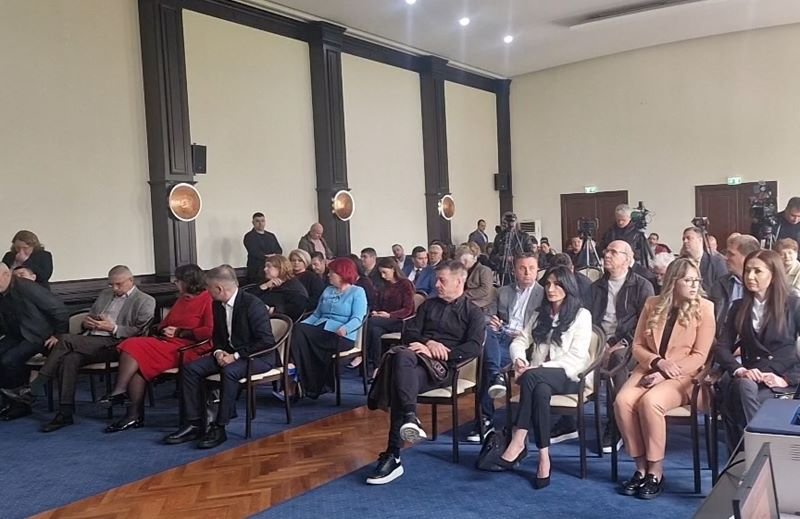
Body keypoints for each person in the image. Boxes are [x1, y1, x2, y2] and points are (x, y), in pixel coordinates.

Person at [365, 261, 484, 485]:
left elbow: (474, 347)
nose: (436, 284)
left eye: (442, 280)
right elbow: (409, 333)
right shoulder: (429, 306)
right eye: (436, 280)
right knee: (402, 361)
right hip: (417, 365)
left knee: (399, 367)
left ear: (459, 281)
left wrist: (444, 353)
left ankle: (394, 454)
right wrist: (428, 342)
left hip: (445, 369)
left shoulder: (473, 312)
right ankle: (409, 420)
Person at [614, 258, 715, 499]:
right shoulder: (652, 304)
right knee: (623, 401)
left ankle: (656, 471)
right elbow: (637, 345)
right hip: (650, 368)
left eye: (696, 280)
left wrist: (666, 372)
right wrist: (657, 363)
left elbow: (700, 356)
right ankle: (640, 468)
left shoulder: (705, 308)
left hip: (685, 374)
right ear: (673, 281)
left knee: (651, 402)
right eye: (688, 280)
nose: (694, 285)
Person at [491, 267, 593, 489]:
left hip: (570, 375)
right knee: (539, 390)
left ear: (568, 287)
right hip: (539, 378)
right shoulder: (540, 314)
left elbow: (576, 357)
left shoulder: (581, 315)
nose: (550, 289)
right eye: (547, 284)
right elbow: (520, 341)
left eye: (557, 284)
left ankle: (519, 439)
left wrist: (537, 369)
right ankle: (544, 458)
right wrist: (519, 359)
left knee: (531, 378)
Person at [163, 265, 275, 449]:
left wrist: (235, 356)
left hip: (257, 357)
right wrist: (218, 352)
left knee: (229, 371)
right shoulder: (217, 304)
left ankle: (219, 426)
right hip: (228, 353)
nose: (206, 291)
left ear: (219, 289)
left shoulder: (252, 304)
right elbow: (218, 337)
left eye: (208, 288)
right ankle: (194, 422)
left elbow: (266, 341)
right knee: (191, 369)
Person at [34, 266, 155, 432]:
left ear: (130, 281)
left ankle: (36, 385)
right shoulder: (105, 294)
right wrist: (89, 322)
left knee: (65, 340)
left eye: (118, 284)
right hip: (92, 339)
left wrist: (112, 328)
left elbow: (139, 330)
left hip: (118, 343)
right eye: (111, 284)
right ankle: (65, 412)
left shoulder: (145, 300)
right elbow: (89, 316)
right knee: (70, 358)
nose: (114, 288)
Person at [101, 264, 214, 433]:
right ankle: (132, 415)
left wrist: (180, 332)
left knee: (132, 345)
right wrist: (164, 330)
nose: (175, 284)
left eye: (178, 281)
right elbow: (164, 324)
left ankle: (120, 392)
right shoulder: (182, 299)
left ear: (189, 281)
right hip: (168, 343)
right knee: (137, 362)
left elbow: (210, 331)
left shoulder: (208, 299)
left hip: (190, 348)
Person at [716, 250, 800, 454]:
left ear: (773, 275)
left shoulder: (794, 304)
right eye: (747, 271)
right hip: (750, 376)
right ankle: (762, 448)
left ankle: (750, 452)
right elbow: (721, 348)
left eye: (757, 271)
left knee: (746, 399)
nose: (750, 276)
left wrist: (787, 379)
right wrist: (740, 369)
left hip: (781, 378)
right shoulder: (738, 306)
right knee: (743, 386)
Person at [466, 252, 543, 443]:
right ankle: (496, 377)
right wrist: (491, 320)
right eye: (522, 268)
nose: (527, 273)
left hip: (524, 341)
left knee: (486, 363)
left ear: (537, 270)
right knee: (485, 332)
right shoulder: (503, 291)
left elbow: (544, 325)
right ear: (514, 270)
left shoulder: (544, 294)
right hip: (499, 336)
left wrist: (525, 334)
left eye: (531, 268)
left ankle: (485, 418)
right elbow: (485, 315)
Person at [588, 240, 654, 452]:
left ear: (628, 259)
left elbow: (645, 324)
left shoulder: (642, 285)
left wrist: (619, 342)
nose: (607, 255)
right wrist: (601, 344)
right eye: (606, 251)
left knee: (618, 359)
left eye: (614, 252)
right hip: (598, 340)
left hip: (631, 343)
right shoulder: (595, 287)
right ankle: (569, 419)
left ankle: (617, 422)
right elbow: (586, 319)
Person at [290, 258, 367, 399]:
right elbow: (316, 315)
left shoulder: (357, 292)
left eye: (332, 272)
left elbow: (358, 317)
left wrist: (345, 328)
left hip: (341, 335)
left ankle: (296, 377)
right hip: (319, 332)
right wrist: (300, 326)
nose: (328, 275)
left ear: (342, 274)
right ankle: (304, 381)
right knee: (297, 329)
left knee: (299, 336)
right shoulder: (328, 290)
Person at [0, 263, 68, 420]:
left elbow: (59, 309)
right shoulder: (3, 291)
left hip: (38, 335)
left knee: (9, 360)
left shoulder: (27, 287)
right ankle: (8, 402)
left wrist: (59, 335)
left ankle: (21, 404)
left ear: (5, 275)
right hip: (18, 335)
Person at [358, 257, 415, 374]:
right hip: (382, 321)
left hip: (401, 321)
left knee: (371, 322)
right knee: (375, 331)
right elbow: (377, 304)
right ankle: (377, 367)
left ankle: (361, 354)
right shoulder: (383, 285)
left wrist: (389, 315)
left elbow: (408, 309)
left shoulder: (405, 284)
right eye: (381, 273)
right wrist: (376, 311)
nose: (383, 276)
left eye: (385, 272)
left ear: (393, 269)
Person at [708, 234, 761, 334]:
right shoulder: (719, 285)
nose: (725, 258)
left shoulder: (764, 287)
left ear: (747, 257)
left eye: (731, 254)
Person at [249, 255, 309, 321]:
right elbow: (246, 298)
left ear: (280, 268)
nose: (265, 269)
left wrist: (272, 310)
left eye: (268, 266)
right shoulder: (267, 282)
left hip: (275, 322)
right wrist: (264, 286)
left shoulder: (294, 288)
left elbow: (295, 309)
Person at [490, 212, 536, 285]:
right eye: (505, 222)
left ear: (516, 222)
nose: (509, 224)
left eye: (511, 221)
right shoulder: (499, 237)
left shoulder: (524, 236)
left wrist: (516, 258)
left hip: (520, 270)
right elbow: (492, 256)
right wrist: (502, 258)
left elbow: (531, 253)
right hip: (504, 271)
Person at [680, 226, 727, 293]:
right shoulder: (680, 263)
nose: (685, 241)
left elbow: (722, 289)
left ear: (700, 240)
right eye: (683, 239)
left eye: (688, 238)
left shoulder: (716, 262)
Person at [243, 212, 282, 284]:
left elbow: (279, 250)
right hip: (256, 270)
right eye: (257, 221)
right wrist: (268, 256)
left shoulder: (271, 236)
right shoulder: (249, 236)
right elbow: (254, 252)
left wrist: (274, 256)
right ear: (253, 222)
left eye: (262, 221)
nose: (260, 223)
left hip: (272, 269)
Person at [454, 245, 494, 311]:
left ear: (475, 258)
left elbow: (485, 290)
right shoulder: (458, 271)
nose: (463, 263)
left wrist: (463, 295)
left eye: (466, 261)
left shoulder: (484, 270)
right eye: (461, 261)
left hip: (481, 305)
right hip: (463, 303)